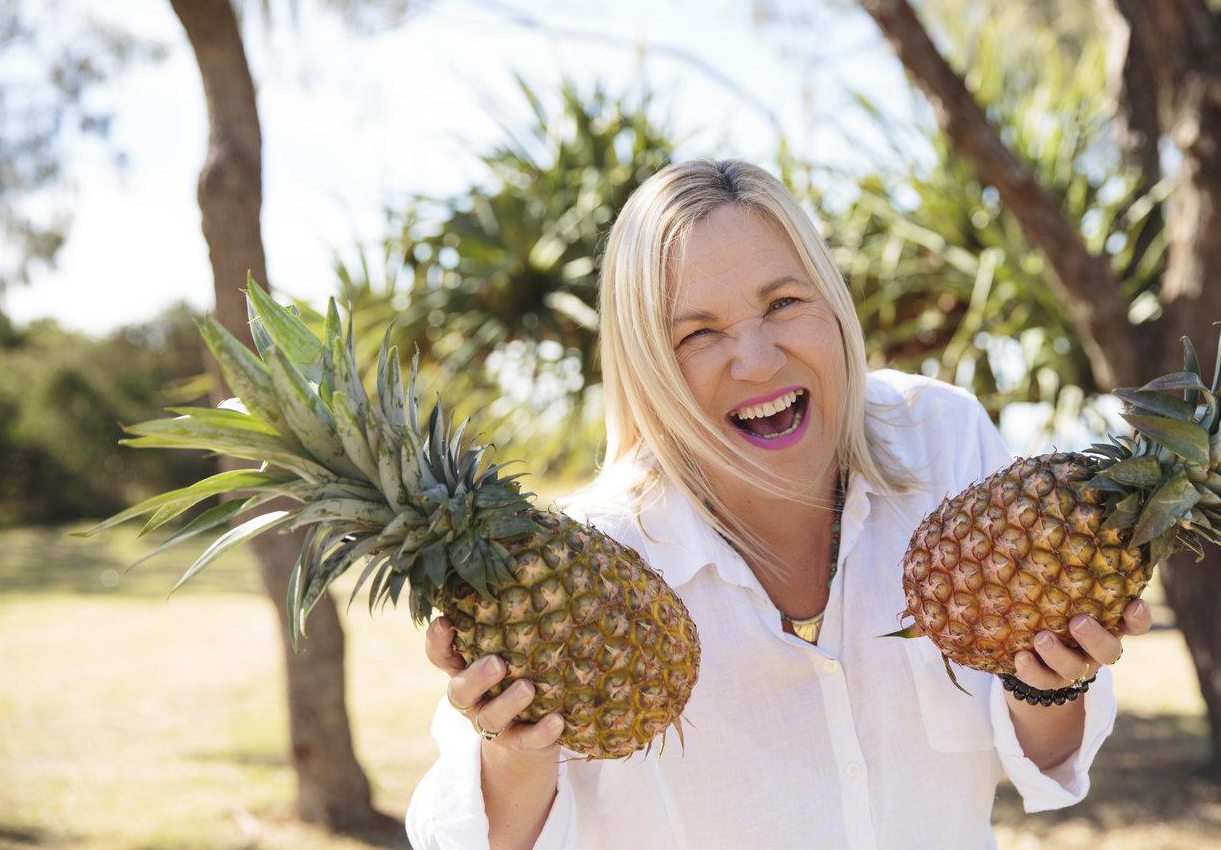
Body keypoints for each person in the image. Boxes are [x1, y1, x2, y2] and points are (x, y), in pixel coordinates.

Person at [406, 158, 1151, 850]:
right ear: (647, 367)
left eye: (783, 302)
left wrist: (1050, 682)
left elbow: (1043, 759)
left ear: (832, 304)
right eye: (697, 334)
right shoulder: (579, 565)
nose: (757, 359)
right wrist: (512, 747)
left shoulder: (942, 442)